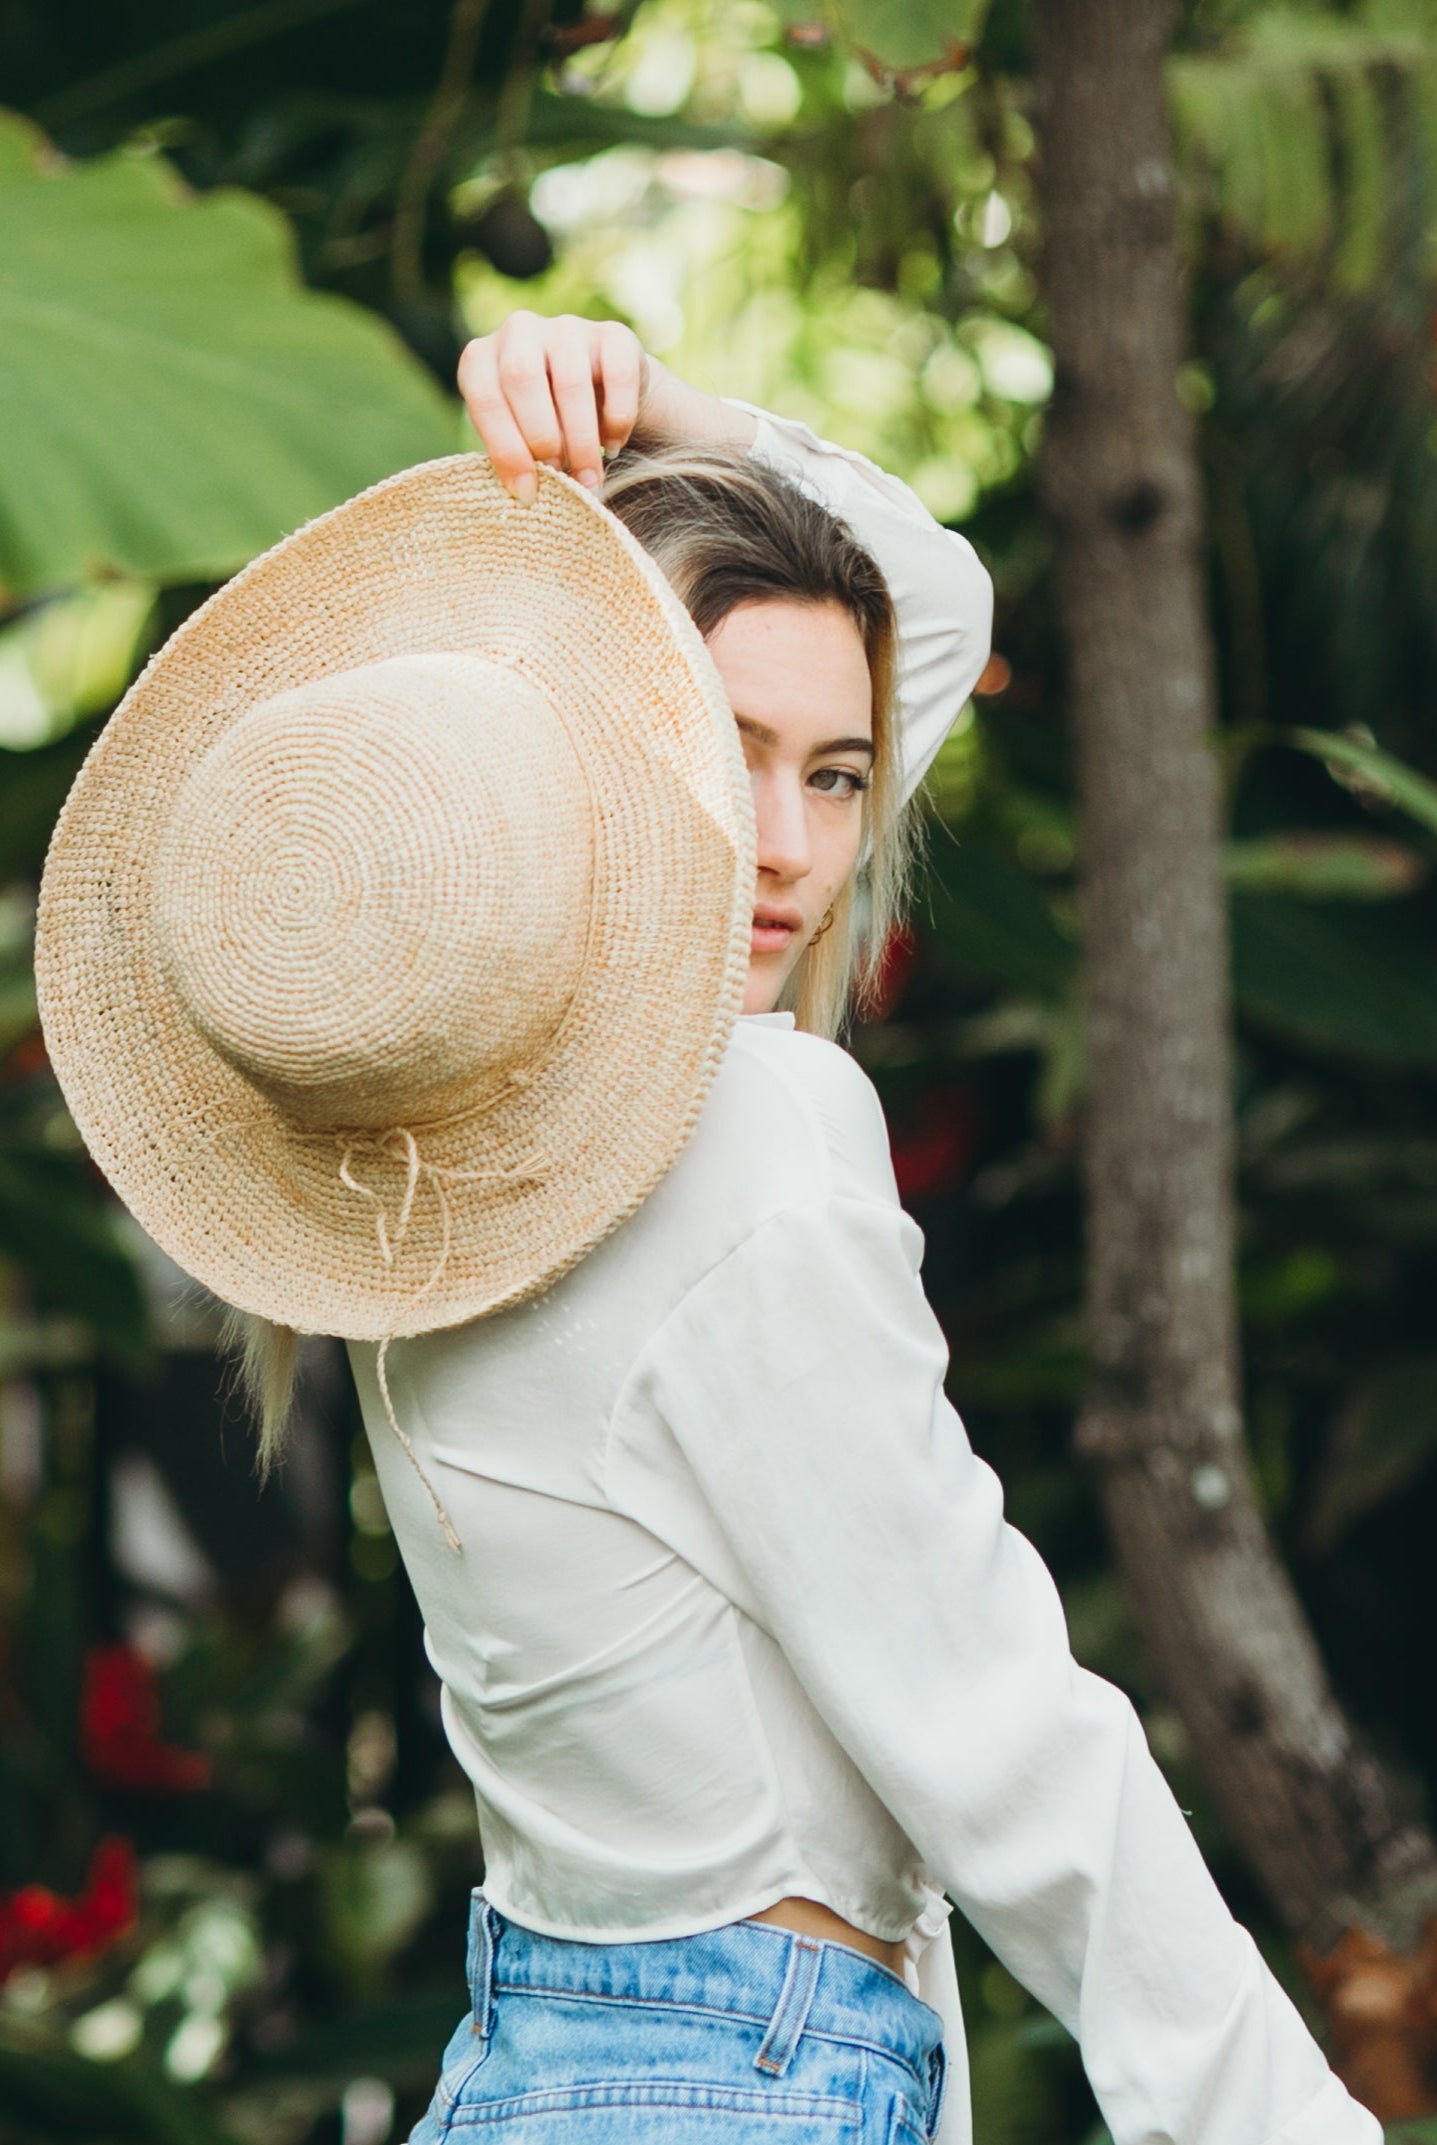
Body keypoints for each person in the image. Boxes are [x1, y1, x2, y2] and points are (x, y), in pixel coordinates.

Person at [33, 306, 1379, 2145]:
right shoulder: (738, 1125)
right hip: (735, 2081)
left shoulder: (429, 1147)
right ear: (595, 765)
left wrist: (668, 427)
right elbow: (993, 1713)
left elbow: (919, 614)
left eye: (833, 774)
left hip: (533, 2060)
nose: (793, 849)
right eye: (727, 751)